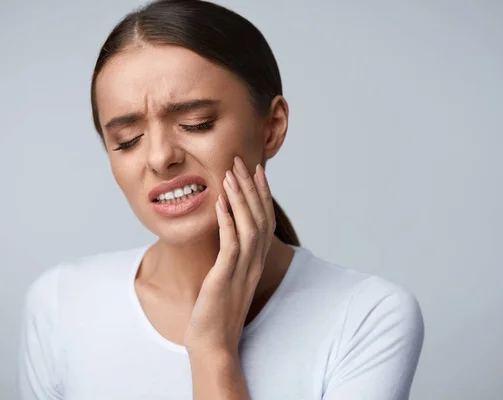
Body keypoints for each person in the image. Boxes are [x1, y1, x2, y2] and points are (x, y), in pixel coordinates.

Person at [17, 0, 424, 399]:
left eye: (197, 123)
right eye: (127, 141)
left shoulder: (368, 316)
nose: (160, 157)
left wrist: (213, 351)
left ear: (272, 128)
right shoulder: (59, 304)